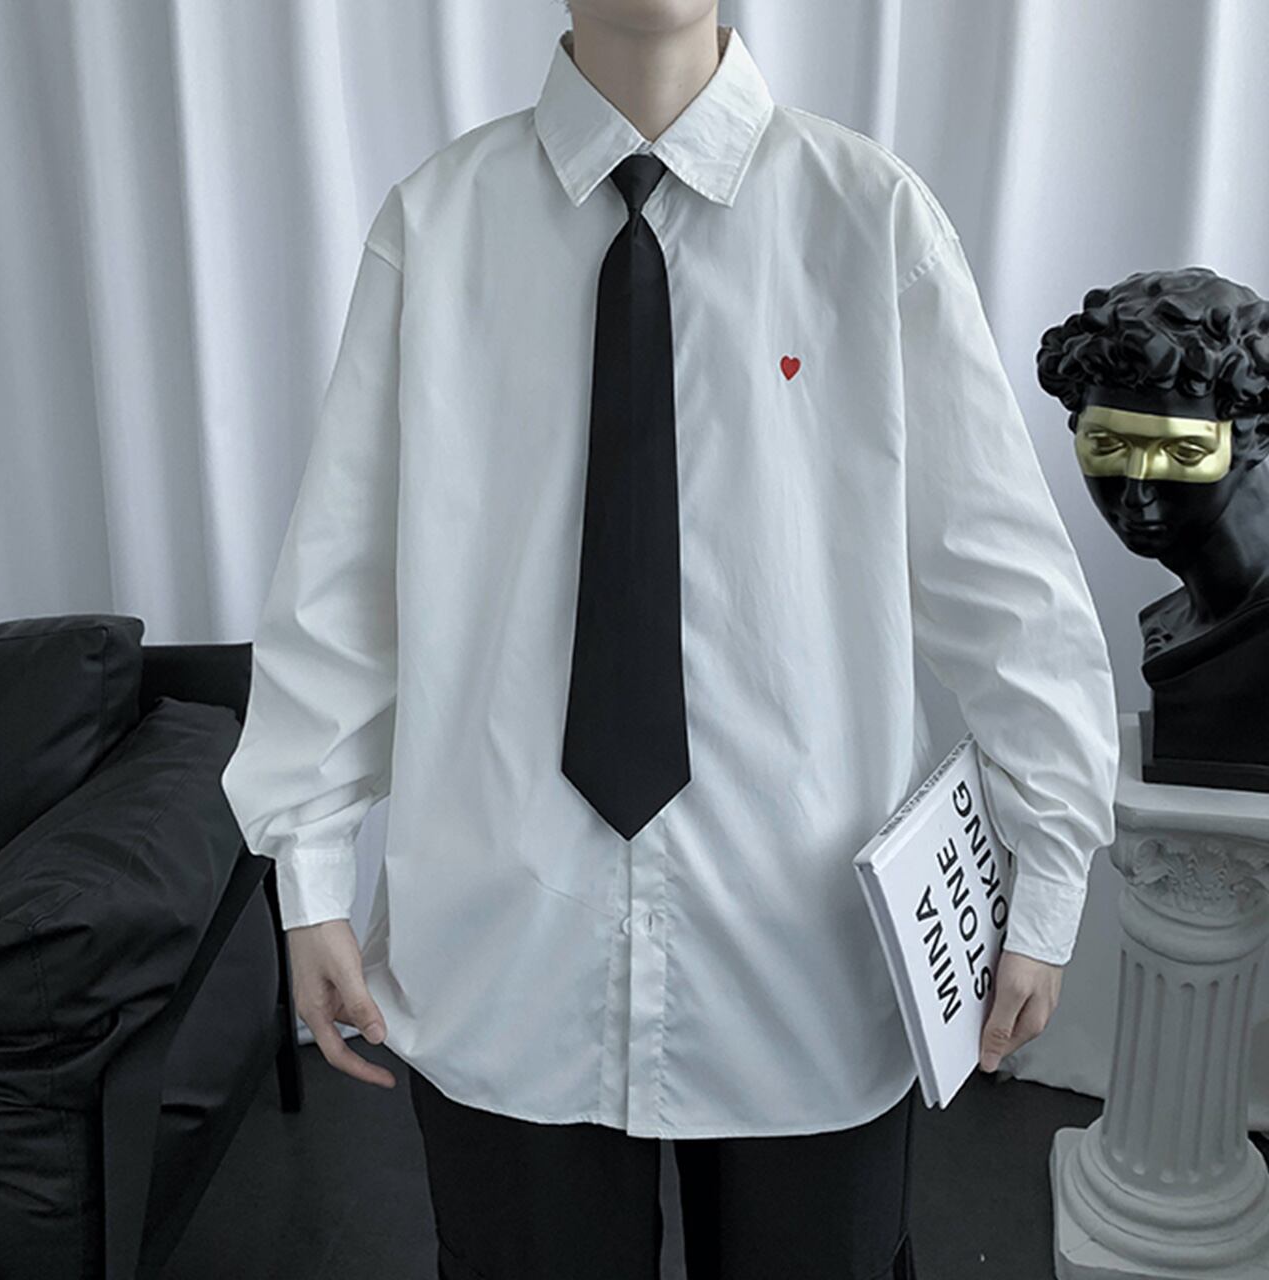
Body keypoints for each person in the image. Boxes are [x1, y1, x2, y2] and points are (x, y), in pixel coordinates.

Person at [220, 2, 1120, 1276]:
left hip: (806, 944)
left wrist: (1050, 867)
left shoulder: (869, 220)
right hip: (502, 938)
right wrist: (307, 868)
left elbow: (1000, 579)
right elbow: (345, 577)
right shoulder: (438, 224)